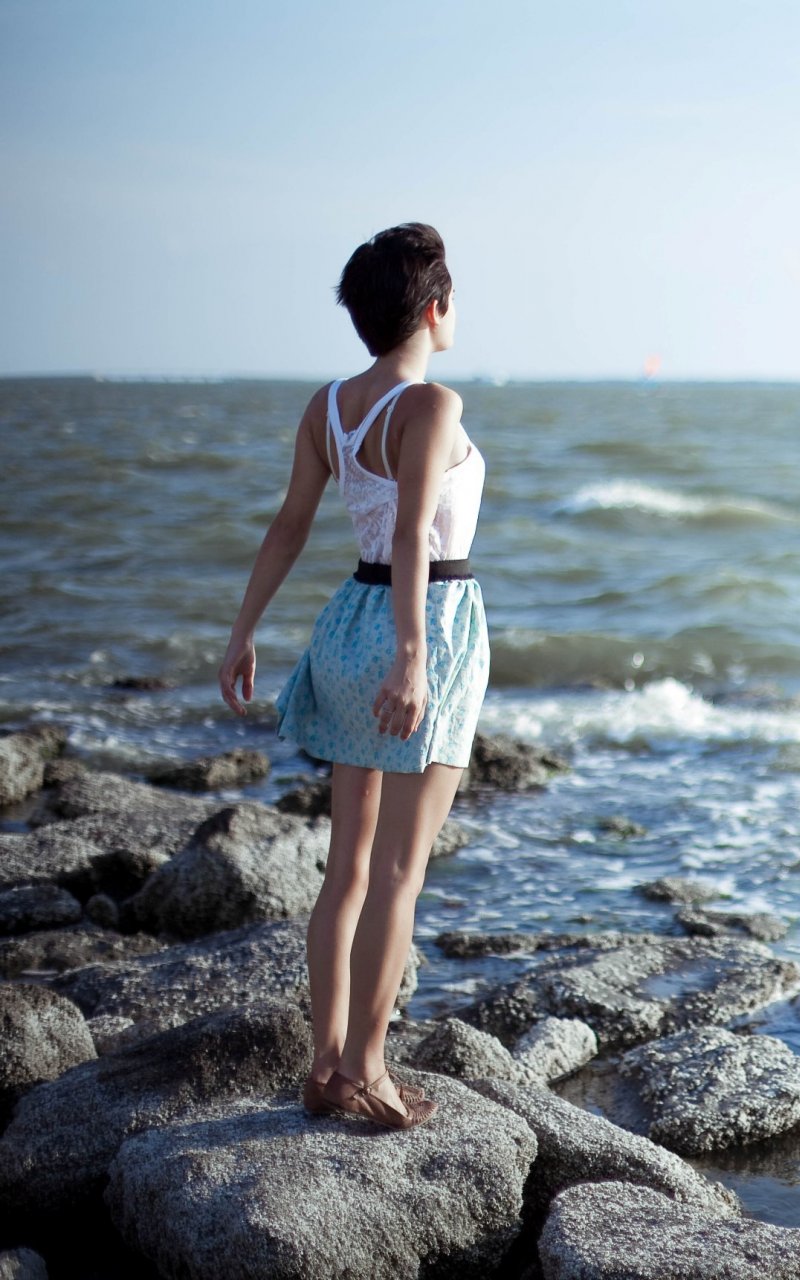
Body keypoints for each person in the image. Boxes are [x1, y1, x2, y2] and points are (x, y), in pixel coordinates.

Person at [217, 222, 488, 1130]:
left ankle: (324, 1065)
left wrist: (243, 632)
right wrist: (416, 655)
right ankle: (368, 1073)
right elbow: (416, 534)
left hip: (345, 625)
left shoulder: (329, 405)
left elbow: (289, 526)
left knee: (348, 872)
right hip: (425, 624)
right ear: (435, 307)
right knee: (401, 873)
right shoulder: (433, 405)